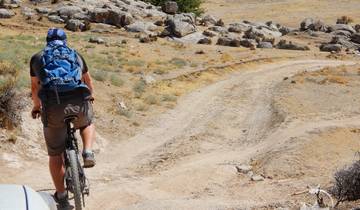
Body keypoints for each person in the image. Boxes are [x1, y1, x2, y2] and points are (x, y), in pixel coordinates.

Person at [30, 28, 96, 207]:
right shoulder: (76, 55)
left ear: (47, 40)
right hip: (77, 100)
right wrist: (90, 97)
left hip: (53, 106)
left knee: (55, 154)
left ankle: (61, 196)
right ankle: (88, 151)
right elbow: (88, 81)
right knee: (87, 121)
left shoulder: (37, 58)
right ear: (65, 40)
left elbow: (35, 88)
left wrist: (37, 107)